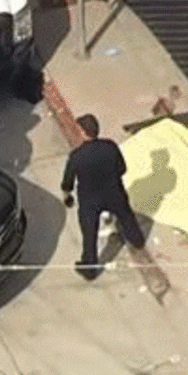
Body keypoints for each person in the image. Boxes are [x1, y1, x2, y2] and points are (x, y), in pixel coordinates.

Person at [60, 114, 147, 280]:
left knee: (89, 234)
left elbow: (67, 183)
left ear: (83, 132)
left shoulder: (77, 156)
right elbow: (122, 169)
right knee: (126, 216)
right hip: (114, 192)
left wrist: (67, 197)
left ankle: (89, 268)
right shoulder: (110, 147)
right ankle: (137, 240)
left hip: (90, 200)